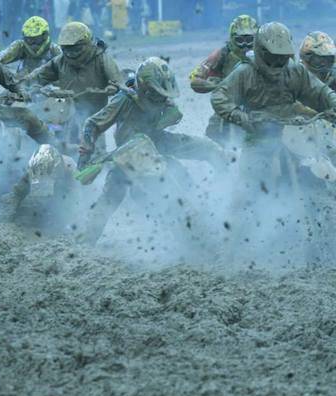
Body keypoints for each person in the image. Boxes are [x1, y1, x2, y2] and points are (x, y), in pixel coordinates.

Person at [211, 22, 336, 254]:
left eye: (283, 57)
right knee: (250, 190)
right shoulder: (244, 72)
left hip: (295, 131)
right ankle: (231, 247)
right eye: (273, 57)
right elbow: (220, 97)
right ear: (261, 52)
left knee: (324, 170)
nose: (278, 63)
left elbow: (319, 92)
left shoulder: (294, 71)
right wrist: (240, 116)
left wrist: (333, 104)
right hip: (259, 138)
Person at [77, 57, 226, 243]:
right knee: (111, 198)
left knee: (206, 148)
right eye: (157, 94)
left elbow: (174, 115)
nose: (162, 98)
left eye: (164, 95)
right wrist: (85, 154)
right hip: (129, 153)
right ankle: (86, 242)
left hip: (156, 140)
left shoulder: (163, 98)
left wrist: (168, 112)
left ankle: (228, 188)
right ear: (145, 88)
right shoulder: (124, 100)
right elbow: (92, 124)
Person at [189, 14, 258, 143]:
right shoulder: (222, 54)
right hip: (229, 104)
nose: (245, 45)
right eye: (240, 40)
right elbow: (195, 78)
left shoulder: (265, 53)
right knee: (213, 136)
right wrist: (215, 85)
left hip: (260, 102)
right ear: (232, 39)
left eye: (250, 40)